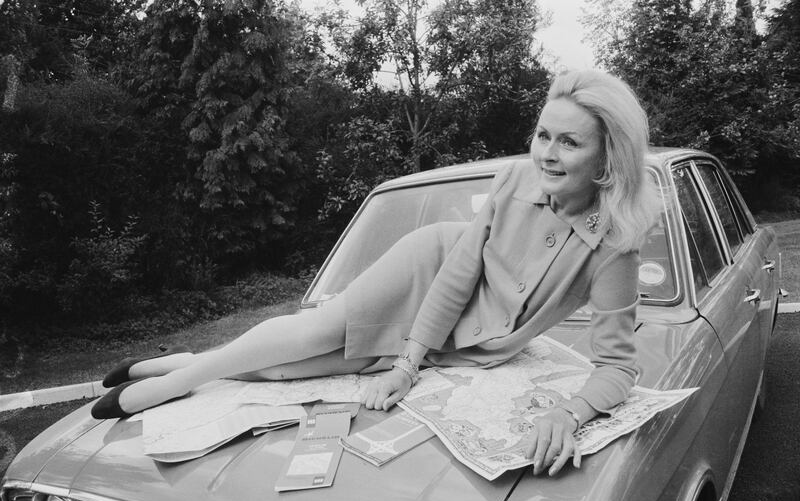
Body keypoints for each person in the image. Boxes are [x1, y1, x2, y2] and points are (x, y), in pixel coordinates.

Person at [93, 69, 660, 477]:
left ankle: (168, 362)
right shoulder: (514, 181)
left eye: (569, 142)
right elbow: (459, 271)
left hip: (462, 343)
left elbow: (617, 366)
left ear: (608, 157)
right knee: (312, 333)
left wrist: (571, 410)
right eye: (542, 135)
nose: (547, 155)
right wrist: (408, 365)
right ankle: (168, 386)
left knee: (289, 373)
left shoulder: (615, 246)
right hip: (428, 273)